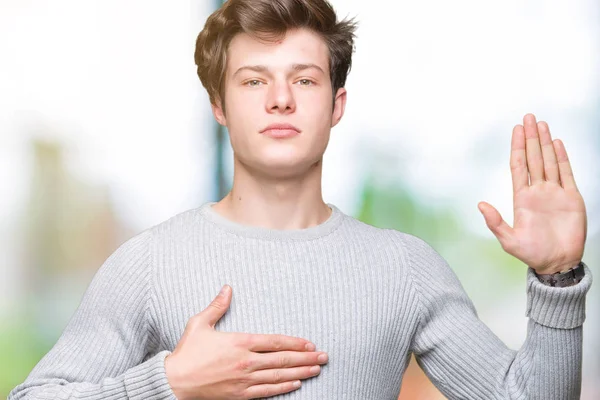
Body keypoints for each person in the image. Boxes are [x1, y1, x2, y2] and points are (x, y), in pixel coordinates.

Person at [9, 0, 593, 399]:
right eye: (254, 80)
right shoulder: (148, 264)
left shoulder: (404, 268)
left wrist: (558, 277)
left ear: (337, 105)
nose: (281, 99)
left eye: (305, 79)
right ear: (219, 106)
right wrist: (168, 383)